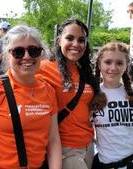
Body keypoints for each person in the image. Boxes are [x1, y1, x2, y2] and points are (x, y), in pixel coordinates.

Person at [0, 25, 62, 169]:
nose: (27, 56)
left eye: (33, 50)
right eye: (18, 52)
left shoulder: (48, 90)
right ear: (7, 55)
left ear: (41, 54)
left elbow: (53, 140)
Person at [36, 18, 100, 169]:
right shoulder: (43, 68)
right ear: (59, 41)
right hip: (65, 149)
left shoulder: (84, 72)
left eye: (81, 40)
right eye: (70, 38)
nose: (76, 44)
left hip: (88, 146)